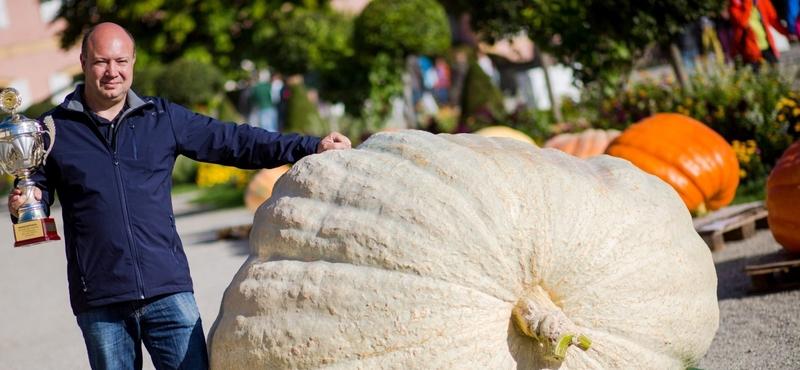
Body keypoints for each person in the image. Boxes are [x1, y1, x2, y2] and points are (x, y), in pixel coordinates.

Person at [6, 22, 350, 370]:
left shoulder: (161, 117)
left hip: (167, 289)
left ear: (133, 61)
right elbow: (35, 192)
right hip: (99, 297)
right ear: (83, 62)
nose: (113, 71)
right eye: (101, 62)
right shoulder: (50, 130)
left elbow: (234, 141)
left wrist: (310, 146)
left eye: (121, 61)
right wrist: (23, 206)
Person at [728, 0, 798, 70]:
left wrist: (787, 33)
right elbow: (742, 21)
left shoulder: (762, 1)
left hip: (767, 46)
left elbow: (773, 19)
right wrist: (748, 2)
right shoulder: (734, 5)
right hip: (750, 51)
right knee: (758, 78)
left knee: (775, 75)